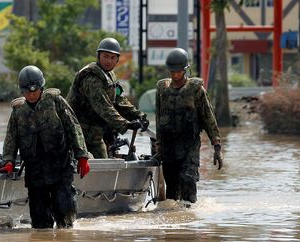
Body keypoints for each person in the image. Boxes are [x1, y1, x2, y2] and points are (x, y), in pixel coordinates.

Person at [0, 65, 89, 229]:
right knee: (40, 222)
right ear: (21, 91)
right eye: (27, 91)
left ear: (42, 88)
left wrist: (82, 156)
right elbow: (11, 138)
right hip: (35, 170)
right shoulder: (18, 111)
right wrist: (9, 161)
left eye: (35, 90)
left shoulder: (55, 102)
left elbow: (73, 127)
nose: (31, 94)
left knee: (65, 212)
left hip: (60, 166)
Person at [155, 48, 222, 204]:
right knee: (172, 190)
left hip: (189, 145)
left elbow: (208, 118)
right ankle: (175, 223)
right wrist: (158, 146)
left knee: (188, 179)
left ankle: (190, 219)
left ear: (185, 69)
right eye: (172, 71)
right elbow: (159, 119)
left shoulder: (196, 90)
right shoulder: (162, 90)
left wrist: (217, 146)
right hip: (169, 146)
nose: (175, 74)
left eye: (178, 71)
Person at [65, 37, 149, 159]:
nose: (108, 61)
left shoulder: (109, 76)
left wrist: (138, 115)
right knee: (76, 167)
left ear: (117, 60)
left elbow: (119, 100)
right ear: (98, 56)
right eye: (105, 56)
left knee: (103, 165)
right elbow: (103, 107)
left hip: (94, 133)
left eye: (112, 57)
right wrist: (126, 124)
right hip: (77, 132)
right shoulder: (91, 78)